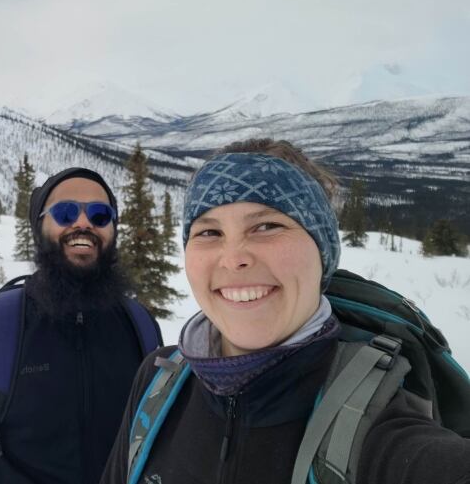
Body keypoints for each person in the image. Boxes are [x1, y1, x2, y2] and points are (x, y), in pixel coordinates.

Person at [101, 138, 470, 484]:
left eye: (267, 226)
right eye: (209, 233)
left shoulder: (382, 423)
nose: (233, 259)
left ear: (322, 253)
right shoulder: (157, 383)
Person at [0, 167, 162, 484]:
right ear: (39, 227)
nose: (84, 223)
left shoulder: (140, 327)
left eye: (100, 215)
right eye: (65, 212)